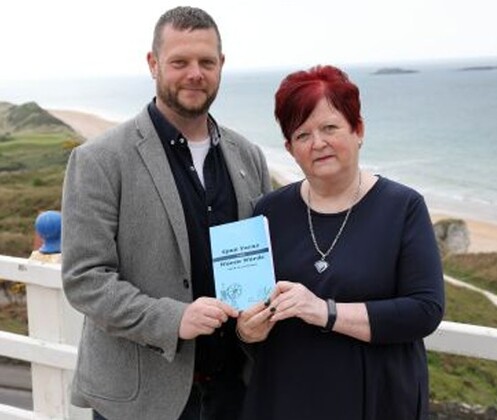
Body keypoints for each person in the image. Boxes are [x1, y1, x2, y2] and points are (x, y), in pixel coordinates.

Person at [61, 6, 271, 420]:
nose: (195, 74)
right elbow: (85, 279)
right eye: (179, 62)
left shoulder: (249, 156)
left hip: (234, 391)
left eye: (206, 62)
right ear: (153, 63)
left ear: (221, 65)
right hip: (141, 399)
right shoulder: (99, 160)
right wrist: (174, 319)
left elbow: (262, 263)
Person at [236, 65, 444, 420]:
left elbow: (425, 310)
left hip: (376, 399)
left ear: (358, 130)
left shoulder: (403, 206)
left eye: (330, 128)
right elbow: (246, 309)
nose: (318, 143)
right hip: (285, 398)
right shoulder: (267, 211)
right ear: (290, 148)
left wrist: (325, 311)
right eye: (302, 135)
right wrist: (246, 330)